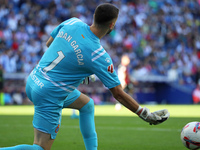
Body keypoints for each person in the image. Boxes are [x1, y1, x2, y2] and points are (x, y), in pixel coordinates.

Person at [0, 3, 169, 150]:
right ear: (112, 25)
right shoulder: (98, 55)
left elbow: (49, 43)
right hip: (49, 93)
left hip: (34, 80)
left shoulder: (72, 22)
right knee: (40, 148)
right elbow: (117, 93)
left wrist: (74, 67)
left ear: (94, 17)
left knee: (87, 105)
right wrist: (144, 113)